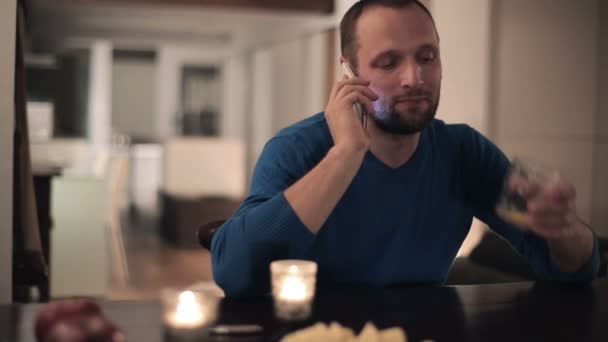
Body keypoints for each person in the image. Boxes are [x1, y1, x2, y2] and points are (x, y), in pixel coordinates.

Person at [210, 0, 600, 297]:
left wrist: (564, 231)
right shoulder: (296, 149)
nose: (414, 78)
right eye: (388, 62)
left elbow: (572, 269)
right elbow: (233, 272)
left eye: (426, 57)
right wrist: (345, 156)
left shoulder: (463, 153)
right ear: (349, 72)